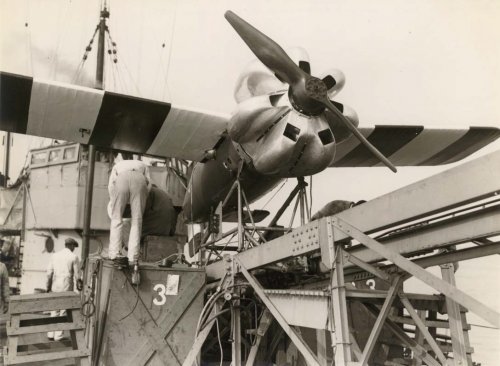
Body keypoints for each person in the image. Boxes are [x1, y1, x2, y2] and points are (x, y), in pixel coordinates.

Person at [108, 157, 151, 266]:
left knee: (116, 217)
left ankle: (114, 253)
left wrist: (114, 201)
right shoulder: (143, 164)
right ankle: (133, 256)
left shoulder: (118, 165)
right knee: (137, 220)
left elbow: (111, 186)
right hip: (139, 179)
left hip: (121, 178)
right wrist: (142, 198)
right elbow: (149, 184)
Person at [46, 238, 80, 341]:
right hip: (66, 287)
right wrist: (79, 288)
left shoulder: (55, 255)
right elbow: (77, 276)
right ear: (72, 246)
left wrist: (48, 287)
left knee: (54, 310)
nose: (74, 249)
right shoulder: (74, 257)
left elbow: (49, 273)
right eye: (74, 247)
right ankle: (58, 336)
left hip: (55, 286)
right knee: (63, 311)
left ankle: (51, 334)